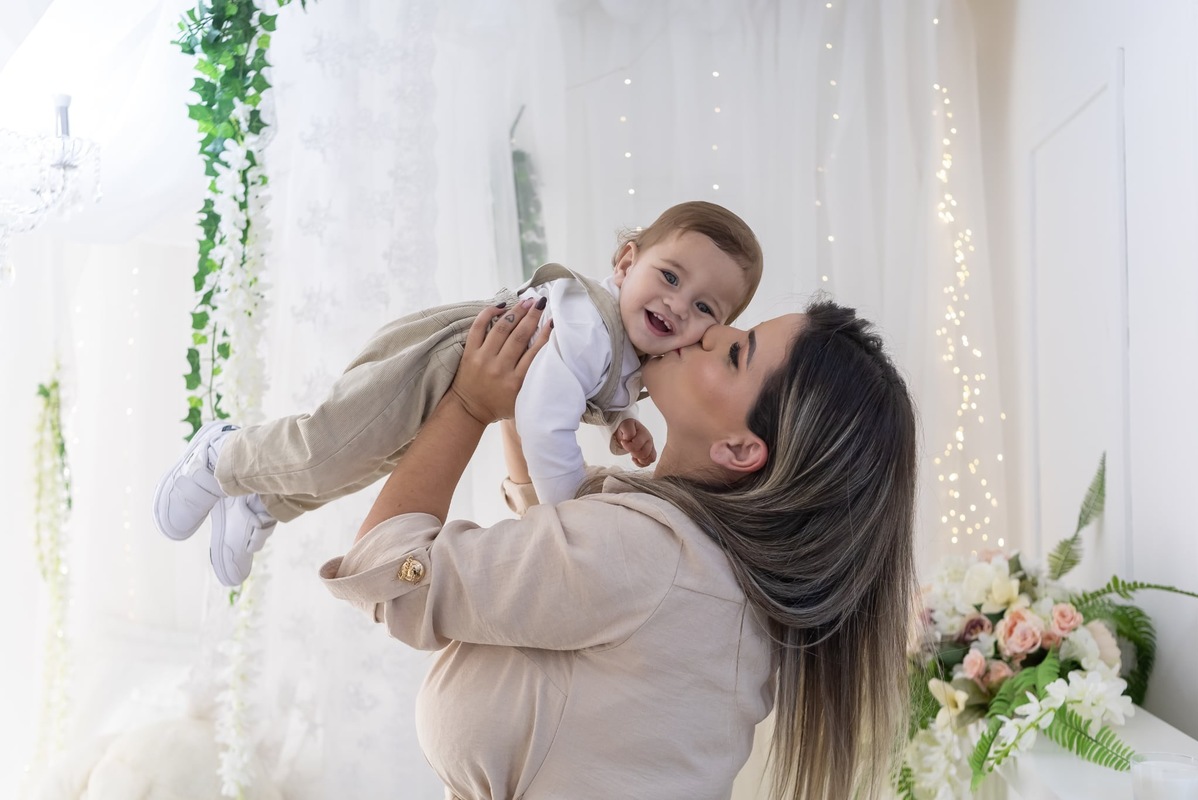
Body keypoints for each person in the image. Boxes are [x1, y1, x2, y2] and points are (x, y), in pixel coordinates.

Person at [321, 295, 918, 799]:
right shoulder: (708, 573)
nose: (711, 331)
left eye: (738, 353)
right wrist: (531, 397)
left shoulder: (646, 555)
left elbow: (388, 573)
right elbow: (560, 544)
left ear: (740, 450)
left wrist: (470, 404)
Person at [152, 201, 763, 586]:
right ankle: (221, 455)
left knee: (364, 463)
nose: (676, 305)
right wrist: (569, 509)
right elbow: (544, 417)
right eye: (670, 276)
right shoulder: (586, 322)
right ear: (626, 264)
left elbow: (585, 391)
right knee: (328, 448)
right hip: (442, 358)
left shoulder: (632, 353)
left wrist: (616, 421)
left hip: (470, 380)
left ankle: (263, 505)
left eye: (704, 306)